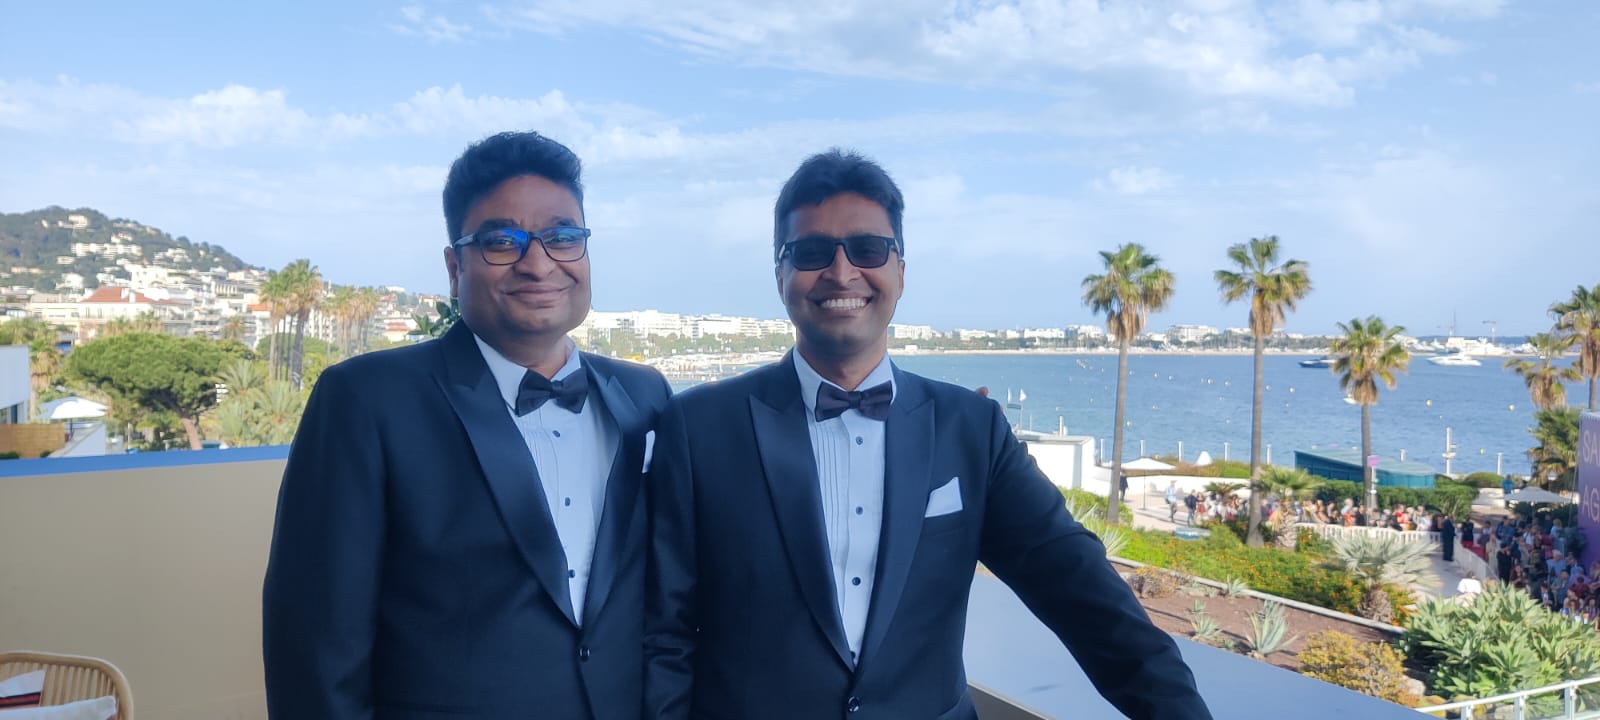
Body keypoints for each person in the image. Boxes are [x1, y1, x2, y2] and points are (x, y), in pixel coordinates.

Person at [644, 149, 1210, 720]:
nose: (842, 272)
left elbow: (1082, 595)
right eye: (812, 252)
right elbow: (664, 633)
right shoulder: (697, 428)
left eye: (868, 249)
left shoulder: (971, 429)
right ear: (780, 276)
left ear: (900, 272)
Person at [262, 131, 672, 719]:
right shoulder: (365, 400)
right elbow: (316, 644)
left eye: (562, 237)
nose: (538, 263)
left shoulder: (644, 395)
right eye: (501, 242)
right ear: (455, 268)